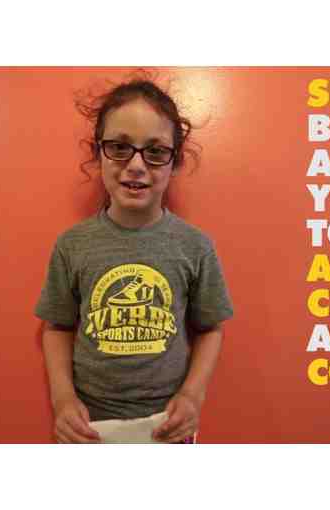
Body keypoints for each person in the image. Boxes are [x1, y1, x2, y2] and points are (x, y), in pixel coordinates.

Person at [34, 75, 234, 443]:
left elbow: (210, 328)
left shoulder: (195, 246)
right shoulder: (72, 245)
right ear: (98, 152)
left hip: (168, 424)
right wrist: (62, 399)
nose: (137, 164)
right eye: (119, 147)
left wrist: (193, 395)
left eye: (156, 151)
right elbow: (56, 327)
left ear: (174, 162)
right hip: (90, 426)